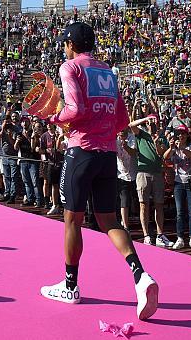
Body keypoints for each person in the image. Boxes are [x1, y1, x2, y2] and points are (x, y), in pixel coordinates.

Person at [39, 22, 158, 321]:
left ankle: (70, 286)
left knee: (72, 221)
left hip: (81, 152)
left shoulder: (70, 67)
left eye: (64, 44)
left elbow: (76, 109)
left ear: (69, 44)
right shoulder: (107, 71)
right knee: (109, 220)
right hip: (107, 154)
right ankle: (140, 275)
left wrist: (55, 117)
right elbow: (122, 120)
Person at [128, 114, 173, 247]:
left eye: (154, 122)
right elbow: (131, 125)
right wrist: (145, 119)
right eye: (151, 122)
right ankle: (146, 235)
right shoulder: (141, 134)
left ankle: (160, 235)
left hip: (157, 173)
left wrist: (157, 140)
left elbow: (161, 155)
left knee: (159, 205)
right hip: (143, 173)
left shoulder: (162, 138)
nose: (152, 124)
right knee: (144, 204)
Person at [164, 124, 191, 250]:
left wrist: (182, 149)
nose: (181, 136)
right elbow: (165, 157)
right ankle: (180, 238)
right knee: (179, 212)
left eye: (183, 133)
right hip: (179, 182)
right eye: (178, 133)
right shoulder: (175, 148)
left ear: (187, 134)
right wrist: (171, 147)